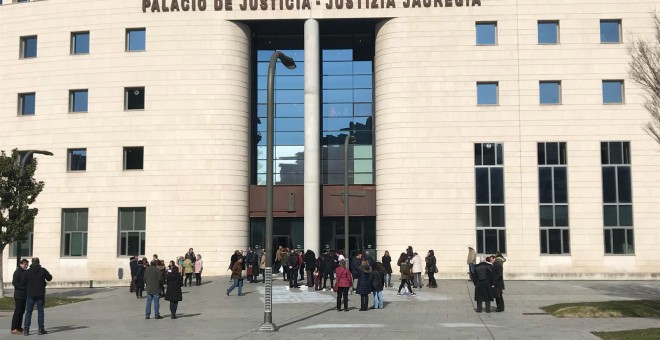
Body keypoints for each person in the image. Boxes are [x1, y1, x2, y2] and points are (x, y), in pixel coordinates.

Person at [21, 257, 53, 335]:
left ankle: (26, 329)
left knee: (28, 311)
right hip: (40, 293)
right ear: (38, 262)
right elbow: (49, 278)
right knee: (40, 311)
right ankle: (40, 329)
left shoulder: (27, 272)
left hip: (30, 294)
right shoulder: (43, 270)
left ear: (31, 262)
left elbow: (22, 282)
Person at [11, 259, 29, 335]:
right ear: (21, 264)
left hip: (24, 295)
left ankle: (18, 327)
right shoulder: (18, 272)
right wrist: (23, 287)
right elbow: (14, 282)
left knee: (21, 312)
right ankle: (14, 328)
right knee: (17, 312)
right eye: (25, 264)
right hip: (19, 295)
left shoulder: (25, 272)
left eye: (27, 264)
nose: (26, 266)